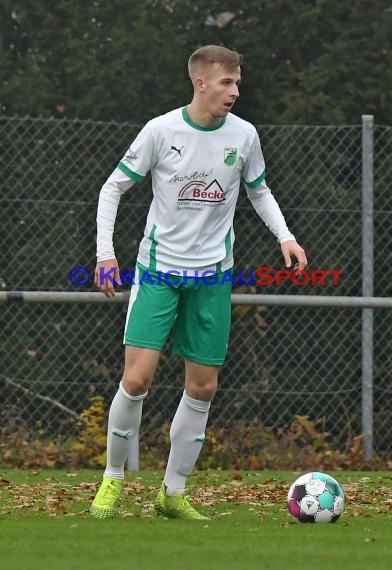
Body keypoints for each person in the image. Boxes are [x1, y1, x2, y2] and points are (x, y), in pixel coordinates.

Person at [90, 45, 307, 520]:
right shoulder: (161, 130)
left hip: (212, 276)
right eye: (226, 82)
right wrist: (106, 254)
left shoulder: (245, 136)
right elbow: (113, 188)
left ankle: (172, 493)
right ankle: (111, 481)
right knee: (136, 378)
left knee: (203, 387)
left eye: (238, 82)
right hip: (158, 273)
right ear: (201, 83)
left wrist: (285, 237)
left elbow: (259, 190)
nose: (235, 91)